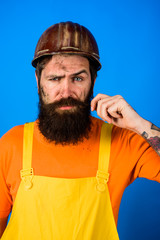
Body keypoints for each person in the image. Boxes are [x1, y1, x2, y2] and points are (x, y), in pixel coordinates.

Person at [0, 21, 159, 240]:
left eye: (78, 78)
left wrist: (138, 124)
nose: (66, 91)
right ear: (38, 82)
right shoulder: (10, 145)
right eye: (55, 78)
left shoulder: (123, 141)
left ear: (93, 81)